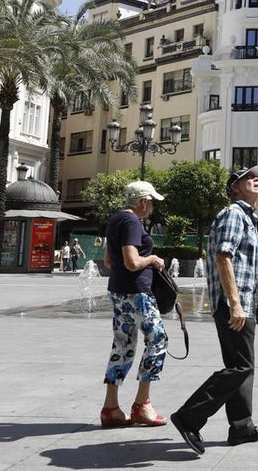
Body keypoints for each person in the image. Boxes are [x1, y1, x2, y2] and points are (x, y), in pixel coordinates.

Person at [171, 166, 258, 455]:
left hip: (243, 304)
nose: (256, 178)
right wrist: (235, 304)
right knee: (241, 366)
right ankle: (189, 417)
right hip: (233, 305)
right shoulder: (233, 214)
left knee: (242, 366)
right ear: (235, 188)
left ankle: (241, 427)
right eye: (248, 177)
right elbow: (223, 257)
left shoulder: (248, 218)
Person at [100, 180, 169, 429]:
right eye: (150, 203)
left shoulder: (115, 219)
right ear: (142, 202)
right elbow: (131, 262)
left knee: (122, 345)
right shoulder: (131, 222)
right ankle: (142, 404)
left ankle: (110, 407)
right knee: (158, 341)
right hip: (137, 294)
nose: (151, 207)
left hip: (117, 291)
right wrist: (152, 258)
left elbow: (109, 261)